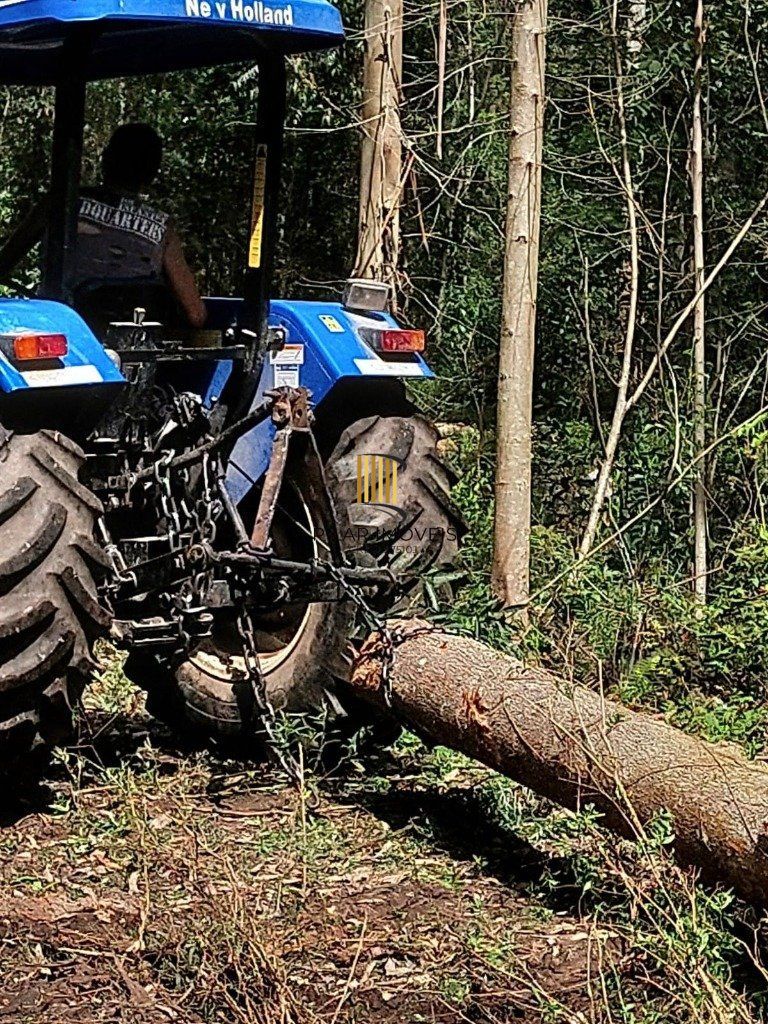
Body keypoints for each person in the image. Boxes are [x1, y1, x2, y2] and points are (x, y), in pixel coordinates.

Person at [0, 123, 207, 329]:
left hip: (61, 334)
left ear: (106, 159)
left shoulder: (60, 202)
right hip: (133, 346)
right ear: (152, 173)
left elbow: (5, 262)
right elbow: (196, 314)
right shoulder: (162, 228)